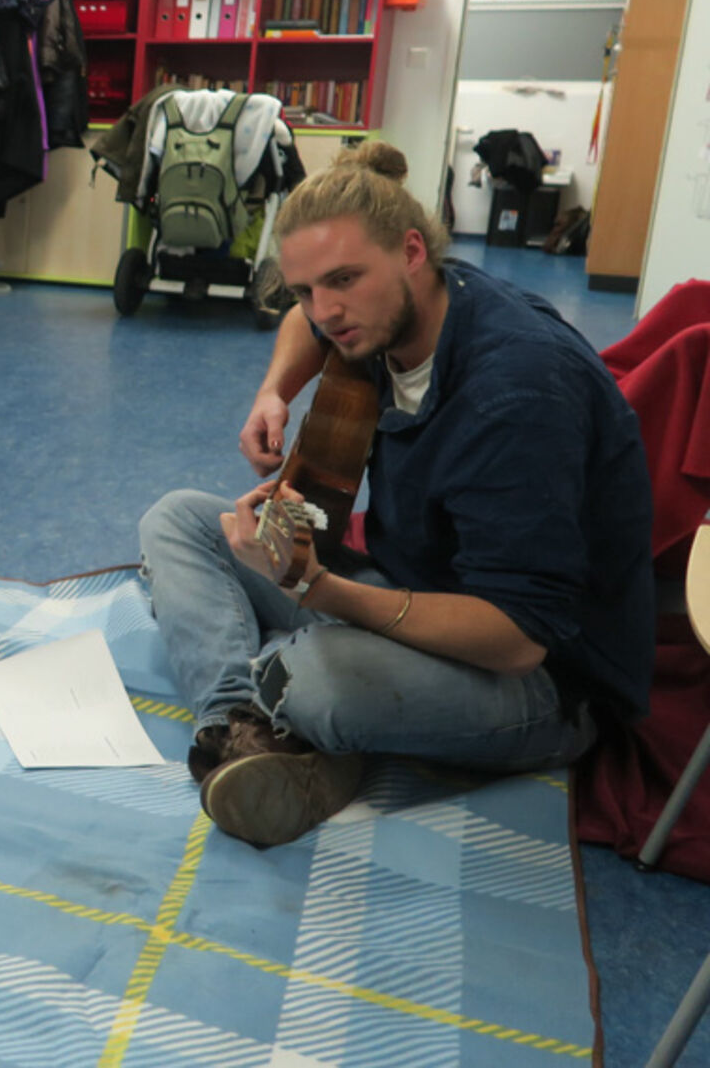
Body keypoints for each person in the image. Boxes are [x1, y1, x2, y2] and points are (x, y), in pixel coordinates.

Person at [137, 142, 654, 850]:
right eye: (307, 289)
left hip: (540, 678)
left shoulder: (519, 392)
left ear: (413, 249)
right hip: (413, 585)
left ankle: (299, 710)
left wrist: (324, 592)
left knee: (310, 675)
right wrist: (274, 393)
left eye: (344, 280)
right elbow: (310, 324)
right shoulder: (399, 306)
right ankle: (243, 732)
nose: (326, 312)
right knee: (178, 519)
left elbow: (519, 637)